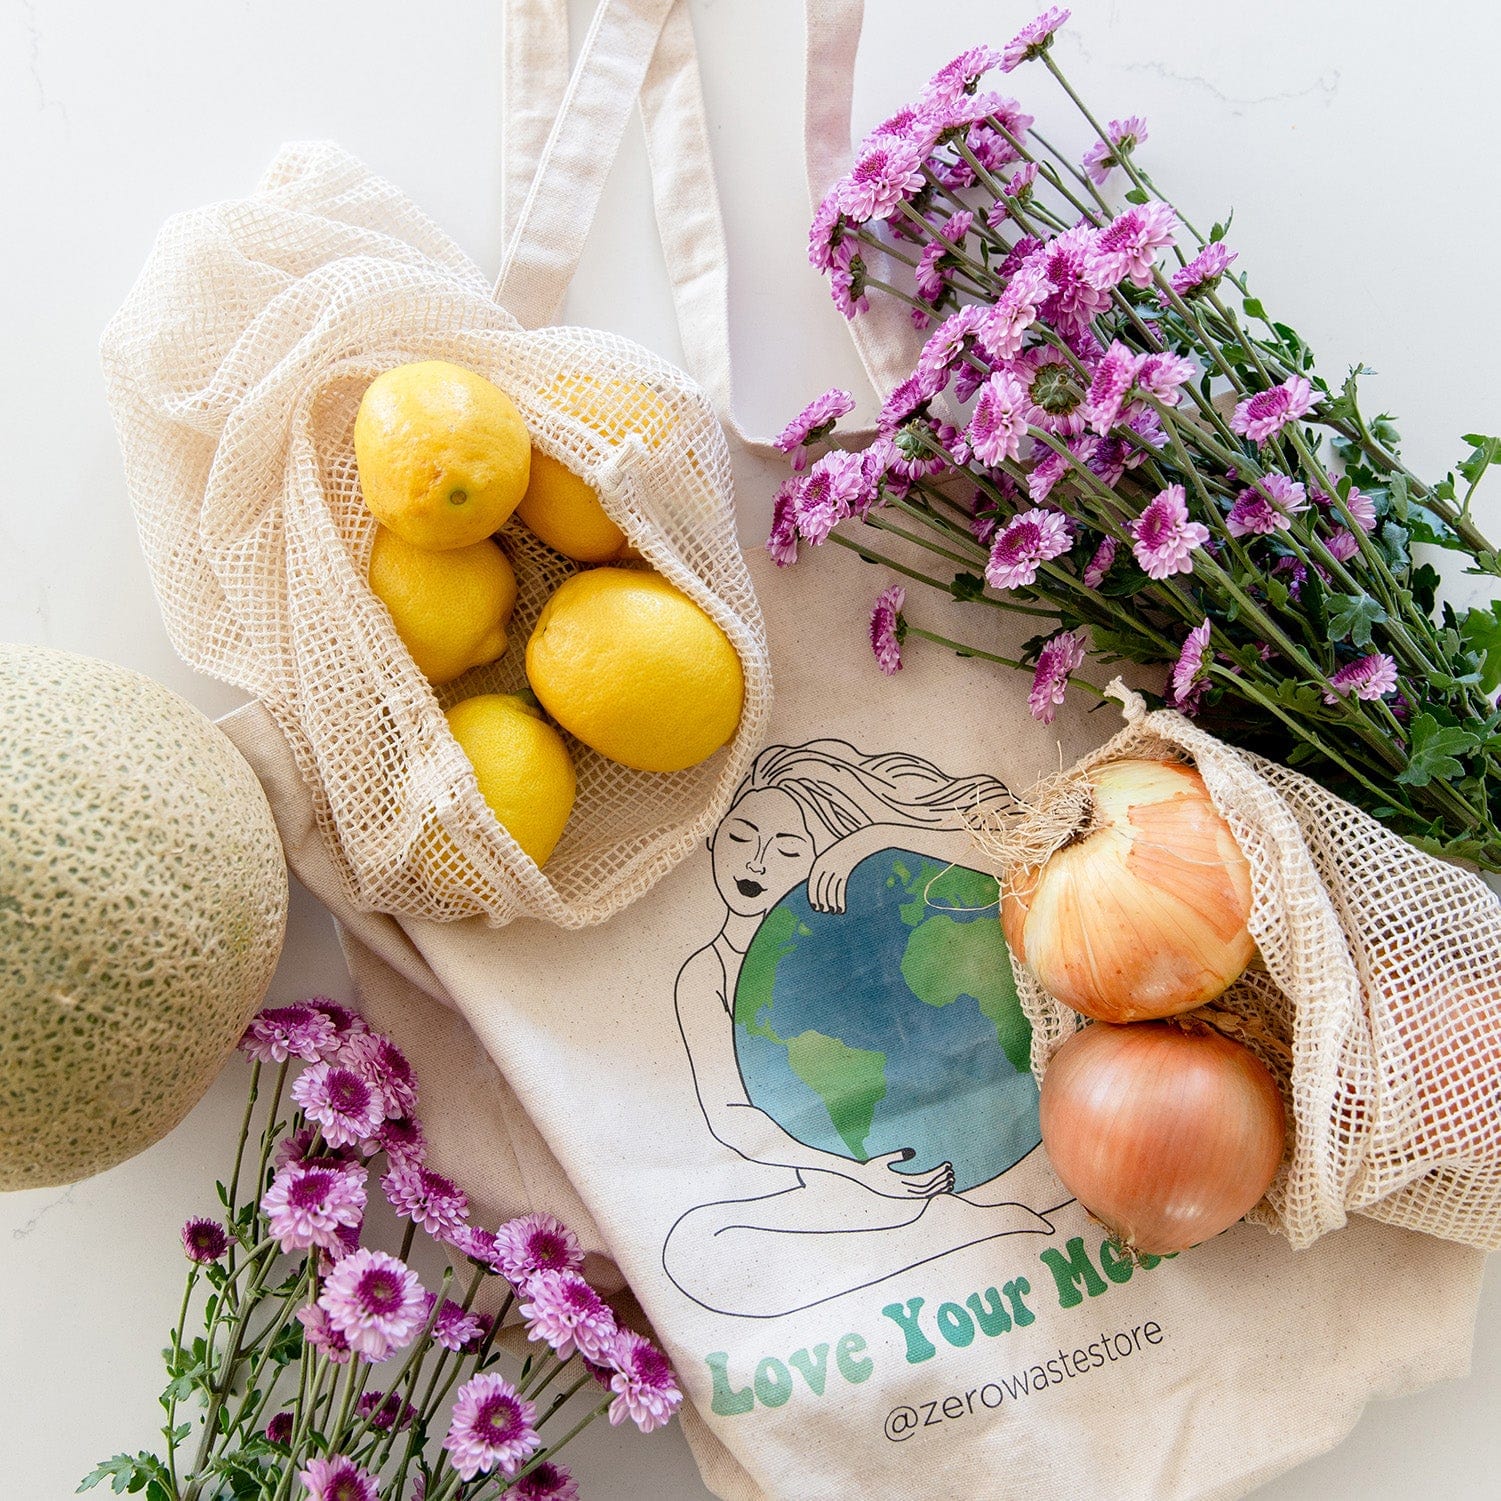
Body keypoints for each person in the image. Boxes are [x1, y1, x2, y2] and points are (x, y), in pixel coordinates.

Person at [662, 740, 1059, 1319]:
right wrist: (859, 1176)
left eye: (788, 850)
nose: (755, 864)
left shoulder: (866, 933)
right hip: (842, 1182)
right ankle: (960, 1232)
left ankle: (953, 1231)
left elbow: (1020, 859)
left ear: (822, 862)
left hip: (996, 1139)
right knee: (697, 1247)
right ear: (712, 838)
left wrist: (883, 839)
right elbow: (733, 1120)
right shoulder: (708, 975)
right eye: (742, 837)